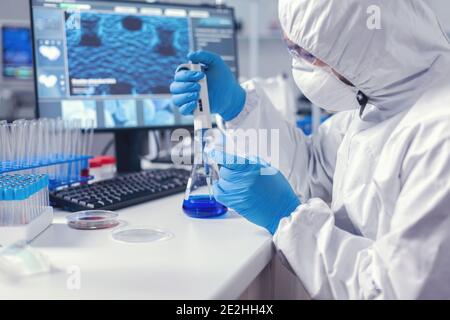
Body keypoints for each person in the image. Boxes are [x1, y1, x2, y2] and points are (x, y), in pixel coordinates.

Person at [170, 0, 450, 299]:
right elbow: (314, 170)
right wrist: (238, 107)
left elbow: (397, 291)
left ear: (362, 45)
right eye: (291, 49)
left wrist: (287, 216)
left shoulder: (439, 135)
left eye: (307, 53)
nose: (299, 65)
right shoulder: (380, 100)